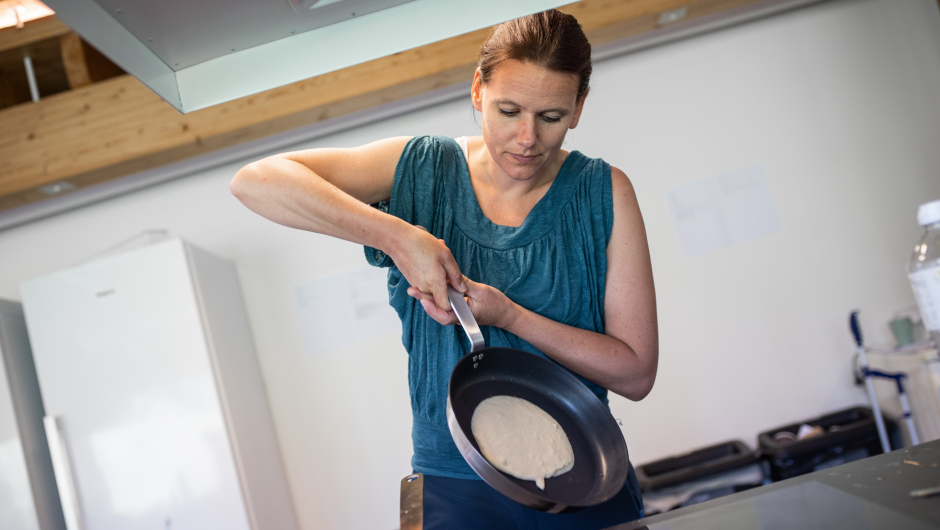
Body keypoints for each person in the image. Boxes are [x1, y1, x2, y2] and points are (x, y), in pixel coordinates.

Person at [231, 9, 658, 529]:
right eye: (508, 110)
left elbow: (635, 373)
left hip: (582, 480)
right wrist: (398, 236)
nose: (526, 138)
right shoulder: (422, 170)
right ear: (478, 89)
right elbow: (255, 182)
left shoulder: (603, 193)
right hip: (452, 485)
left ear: (578, 108)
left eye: (550, 117)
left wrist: (511, 316)